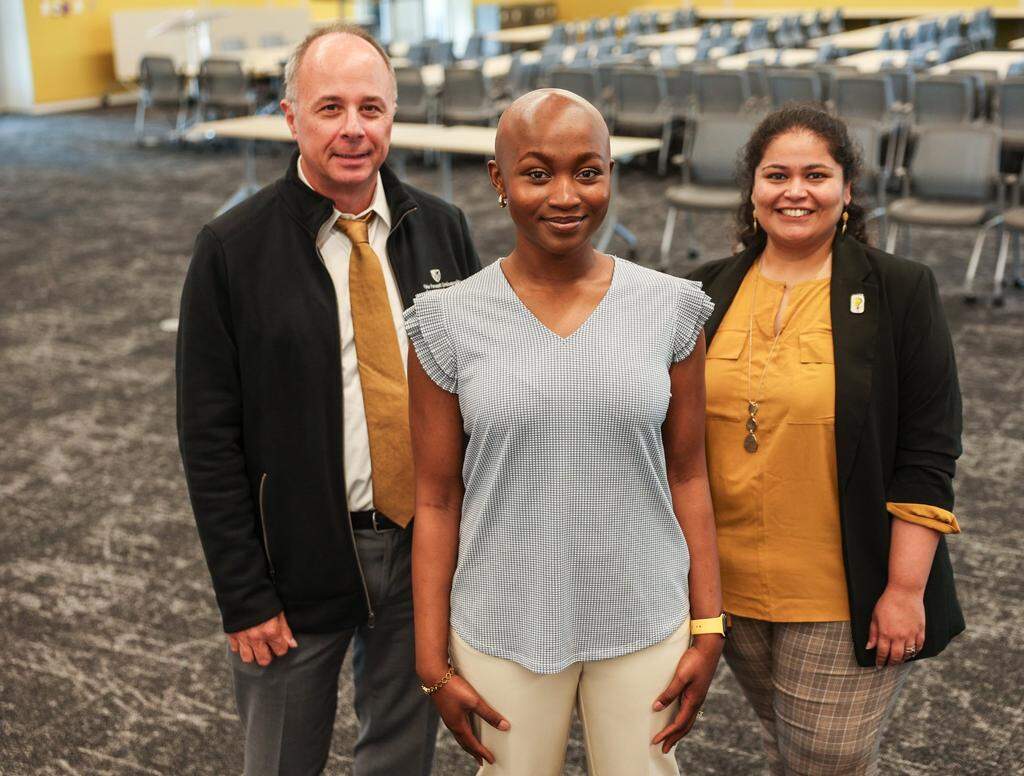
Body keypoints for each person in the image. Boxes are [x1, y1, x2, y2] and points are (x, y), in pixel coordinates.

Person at [176, 24, 480, 776]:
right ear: (291, 118)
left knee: (401, 759)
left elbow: (479, 394)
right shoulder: (232, 249)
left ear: (394, 115)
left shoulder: (440, 229)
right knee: (281, 761)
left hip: (420, 553)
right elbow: (208, 436)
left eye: (371, 108)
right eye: (330, 108)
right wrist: (242, 593)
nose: (353, 129)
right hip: (294, 564)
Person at [403, 89, 726, 775]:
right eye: (537, 172)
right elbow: (435, 499)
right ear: (499, 180)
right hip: (503, 617)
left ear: (612, 172)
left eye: (588, 171)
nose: (565, 195)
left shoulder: (671, 309)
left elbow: (690, 474)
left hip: (643, 612)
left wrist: (708, 626)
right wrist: (431, 658)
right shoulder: (446, 322)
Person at [688, 104, 965, 774]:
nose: (795, 191)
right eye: (776, 174)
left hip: (844, 589)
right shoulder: (704, 291)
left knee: (828, 758)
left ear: (846, 191)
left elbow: (927, 452)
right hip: (729, 588)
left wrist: (903, 590)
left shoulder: (898, 290)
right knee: (785, 742)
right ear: (753, 190)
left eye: (817, 174)